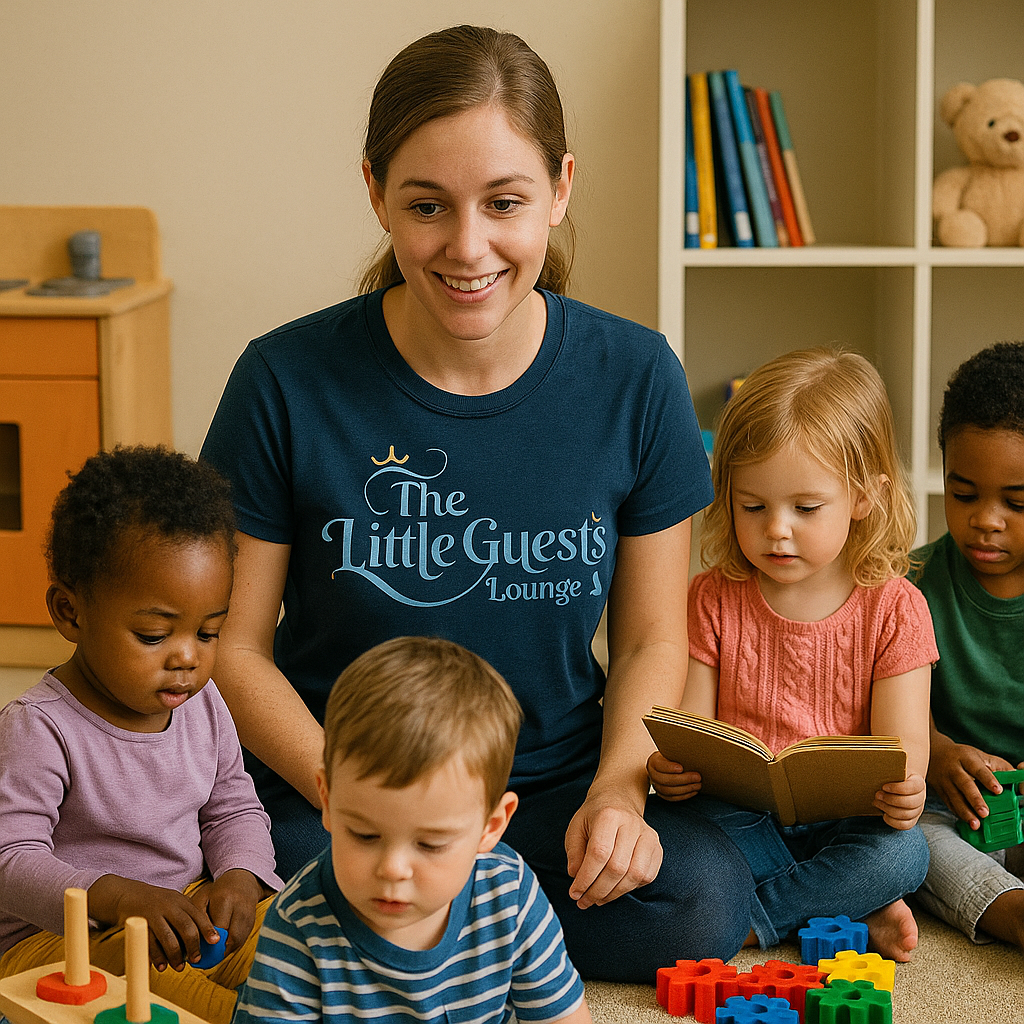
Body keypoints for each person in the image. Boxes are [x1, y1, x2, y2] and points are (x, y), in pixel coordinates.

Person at [199, 24, 754, 980]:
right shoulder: (282, 378)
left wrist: (620, 792)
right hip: (340, 793)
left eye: (505, 202)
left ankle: (429, 953)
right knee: (266, 884)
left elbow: (655, 639)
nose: (468, 247)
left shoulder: (638, 376)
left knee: (701, 896)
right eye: (427, 206)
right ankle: (492, 950)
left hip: (544, 789)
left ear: (561, 188)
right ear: (375, 190)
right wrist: (357, 805)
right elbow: (234, 646)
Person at [647, 348, 937, 963]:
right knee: (673, 840)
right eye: (753, 506)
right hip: (740, 817)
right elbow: (690, 731)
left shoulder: (896, 607)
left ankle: (754, 920)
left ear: (865, 497)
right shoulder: (713, 597)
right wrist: (672, 773)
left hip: (844, 822)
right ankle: (842, 911)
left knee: (906, 853)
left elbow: (903, 756)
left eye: (805, 509)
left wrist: (905, 791)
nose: (776, 529)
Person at [0, 446, 283, 1024]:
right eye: (154, 635)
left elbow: (234, 806)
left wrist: (238, 876)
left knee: (299, 955)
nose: (186, 657)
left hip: (183, 916)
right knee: (202, 1007)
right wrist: (118, 896)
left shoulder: (204, 702)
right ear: (70, 612)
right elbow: (10, 859)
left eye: (209, 633)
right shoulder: (40, 726)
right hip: (61, 944)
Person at [234, 635, 591, 1024]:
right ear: (329, 799)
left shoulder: (510, 893)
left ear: (492, 827)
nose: (393, 868)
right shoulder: (298, 925)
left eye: (431, 844)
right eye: (365, 835)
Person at [910, 341, 1024, 948]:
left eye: (1017, 502)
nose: (986, 519)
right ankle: (1008, 912)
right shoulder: (910, 586)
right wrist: (939, 752)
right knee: (900, 839)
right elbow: (896, 714)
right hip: (950, 807)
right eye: (964, 494)